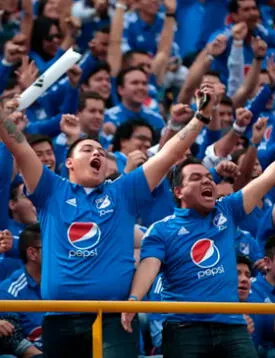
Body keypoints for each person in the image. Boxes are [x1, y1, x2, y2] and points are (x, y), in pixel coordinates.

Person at [0, 85, 215, 357]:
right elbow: (19, 145)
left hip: (115, 318)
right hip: (59, 318)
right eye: (88, 149)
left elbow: (168, 155)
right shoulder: (51, 189)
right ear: (68, 163)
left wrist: (201, 118)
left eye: (102, 152)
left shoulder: (123, 191)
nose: (97, 154)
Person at [120, 116, 275, 356]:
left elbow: (268, 177)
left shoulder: (226, 210)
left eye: (209, 178)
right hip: (185, 328)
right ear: (178, 191)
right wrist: (134, 300)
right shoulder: (161, 230)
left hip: (231, 325)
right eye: (196, 178)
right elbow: (149, 266)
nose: (206, 181)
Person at [0, 224, 43, 348]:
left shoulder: (67, 285)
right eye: (52, 248)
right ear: (32, 253)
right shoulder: (9, 291)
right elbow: (15, 342)